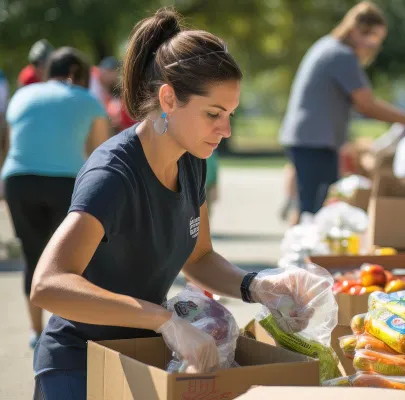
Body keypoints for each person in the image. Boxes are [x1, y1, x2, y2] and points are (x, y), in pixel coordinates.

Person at [30, 8, 327, 400]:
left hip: (141, 357)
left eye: (231, 114)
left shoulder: (191, 164)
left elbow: (199, 257)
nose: (226, 130)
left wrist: (256, 286)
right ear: (168, 98)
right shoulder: (113, 176)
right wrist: (164, 320)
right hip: (78, 367)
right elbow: (48, 285)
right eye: (213, 114)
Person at [279, 1, 405, 223]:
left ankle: (298, 251)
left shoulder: (328, 46)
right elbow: (367, 104)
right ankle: (303, 254)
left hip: (309, 138)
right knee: (315, 210)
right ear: (357, 31)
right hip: (315, 141)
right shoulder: (342, 55)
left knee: (309, 205)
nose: (375, 47)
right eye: (374, 38)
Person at [2, 47, 110, 350]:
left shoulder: (22, 95)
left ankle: (36, 332)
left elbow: (11, 144)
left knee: (32, 255)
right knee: (73, 259)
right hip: (66, 182)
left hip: (18, 181)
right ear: (76, 72)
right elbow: (100, 153)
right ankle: (68, 331)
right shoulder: (88, 100)